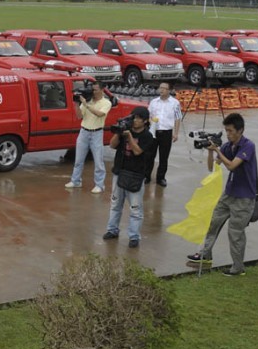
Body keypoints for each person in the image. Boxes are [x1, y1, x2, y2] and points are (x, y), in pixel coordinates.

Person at [187, 113, 258, 276]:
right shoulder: (228, 146)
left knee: (235, 233)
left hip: (244, 197)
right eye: (226, 130)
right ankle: (205, 254)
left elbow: (232, 166)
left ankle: (238, 267)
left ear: (240, 130)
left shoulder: (248, 146)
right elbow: (212, 167)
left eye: (231, 131)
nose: (228, 134)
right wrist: (211, 152)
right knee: (213, 222)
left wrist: (217, 150)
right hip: (229, 193)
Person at [103, 106, 155, 248]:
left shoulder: (147, 136)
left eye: (138, 118)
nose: (135, 121)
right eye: (133, 117)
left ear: (145, 121)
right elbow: (112, 145)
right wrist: (119, 133)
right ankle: (112, 230)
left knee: (135, 209)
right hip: (119, 172)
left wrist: (129, 137)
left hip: (136, 175)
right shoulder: (126, 130)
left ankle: (134, 236)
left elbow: (137, 151)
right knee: (115, 204)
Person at [65, 82, 112, 193]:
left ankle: (99, 185)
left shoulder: (106, 103)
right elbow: (79, 116)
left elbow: (100, 114)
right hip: (84, 132)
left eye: (95, 90)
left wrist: (86, 105)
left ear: (102, 90)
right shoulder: (88, 101)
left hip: (97, 133)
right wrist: (77, 104)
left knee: (98, 161)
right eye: (92, 89)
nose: (93, 92)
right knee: (78, 160)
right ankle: (76, 181)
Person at [145, 82, 181, 186]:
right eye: (160, 88)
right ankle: (146, 176)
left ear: (169, 90)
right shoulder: (154, 102)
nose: (161, 90)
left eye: (164, 88)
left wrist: (176, 133)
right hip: (153, 132)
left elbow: (178, 118)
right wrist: (151, 123)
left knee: (164, 157)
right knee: (149, 155)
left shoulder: (175, 103)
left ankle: (161, 178)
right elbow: (148, 115)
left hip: (166, 132)